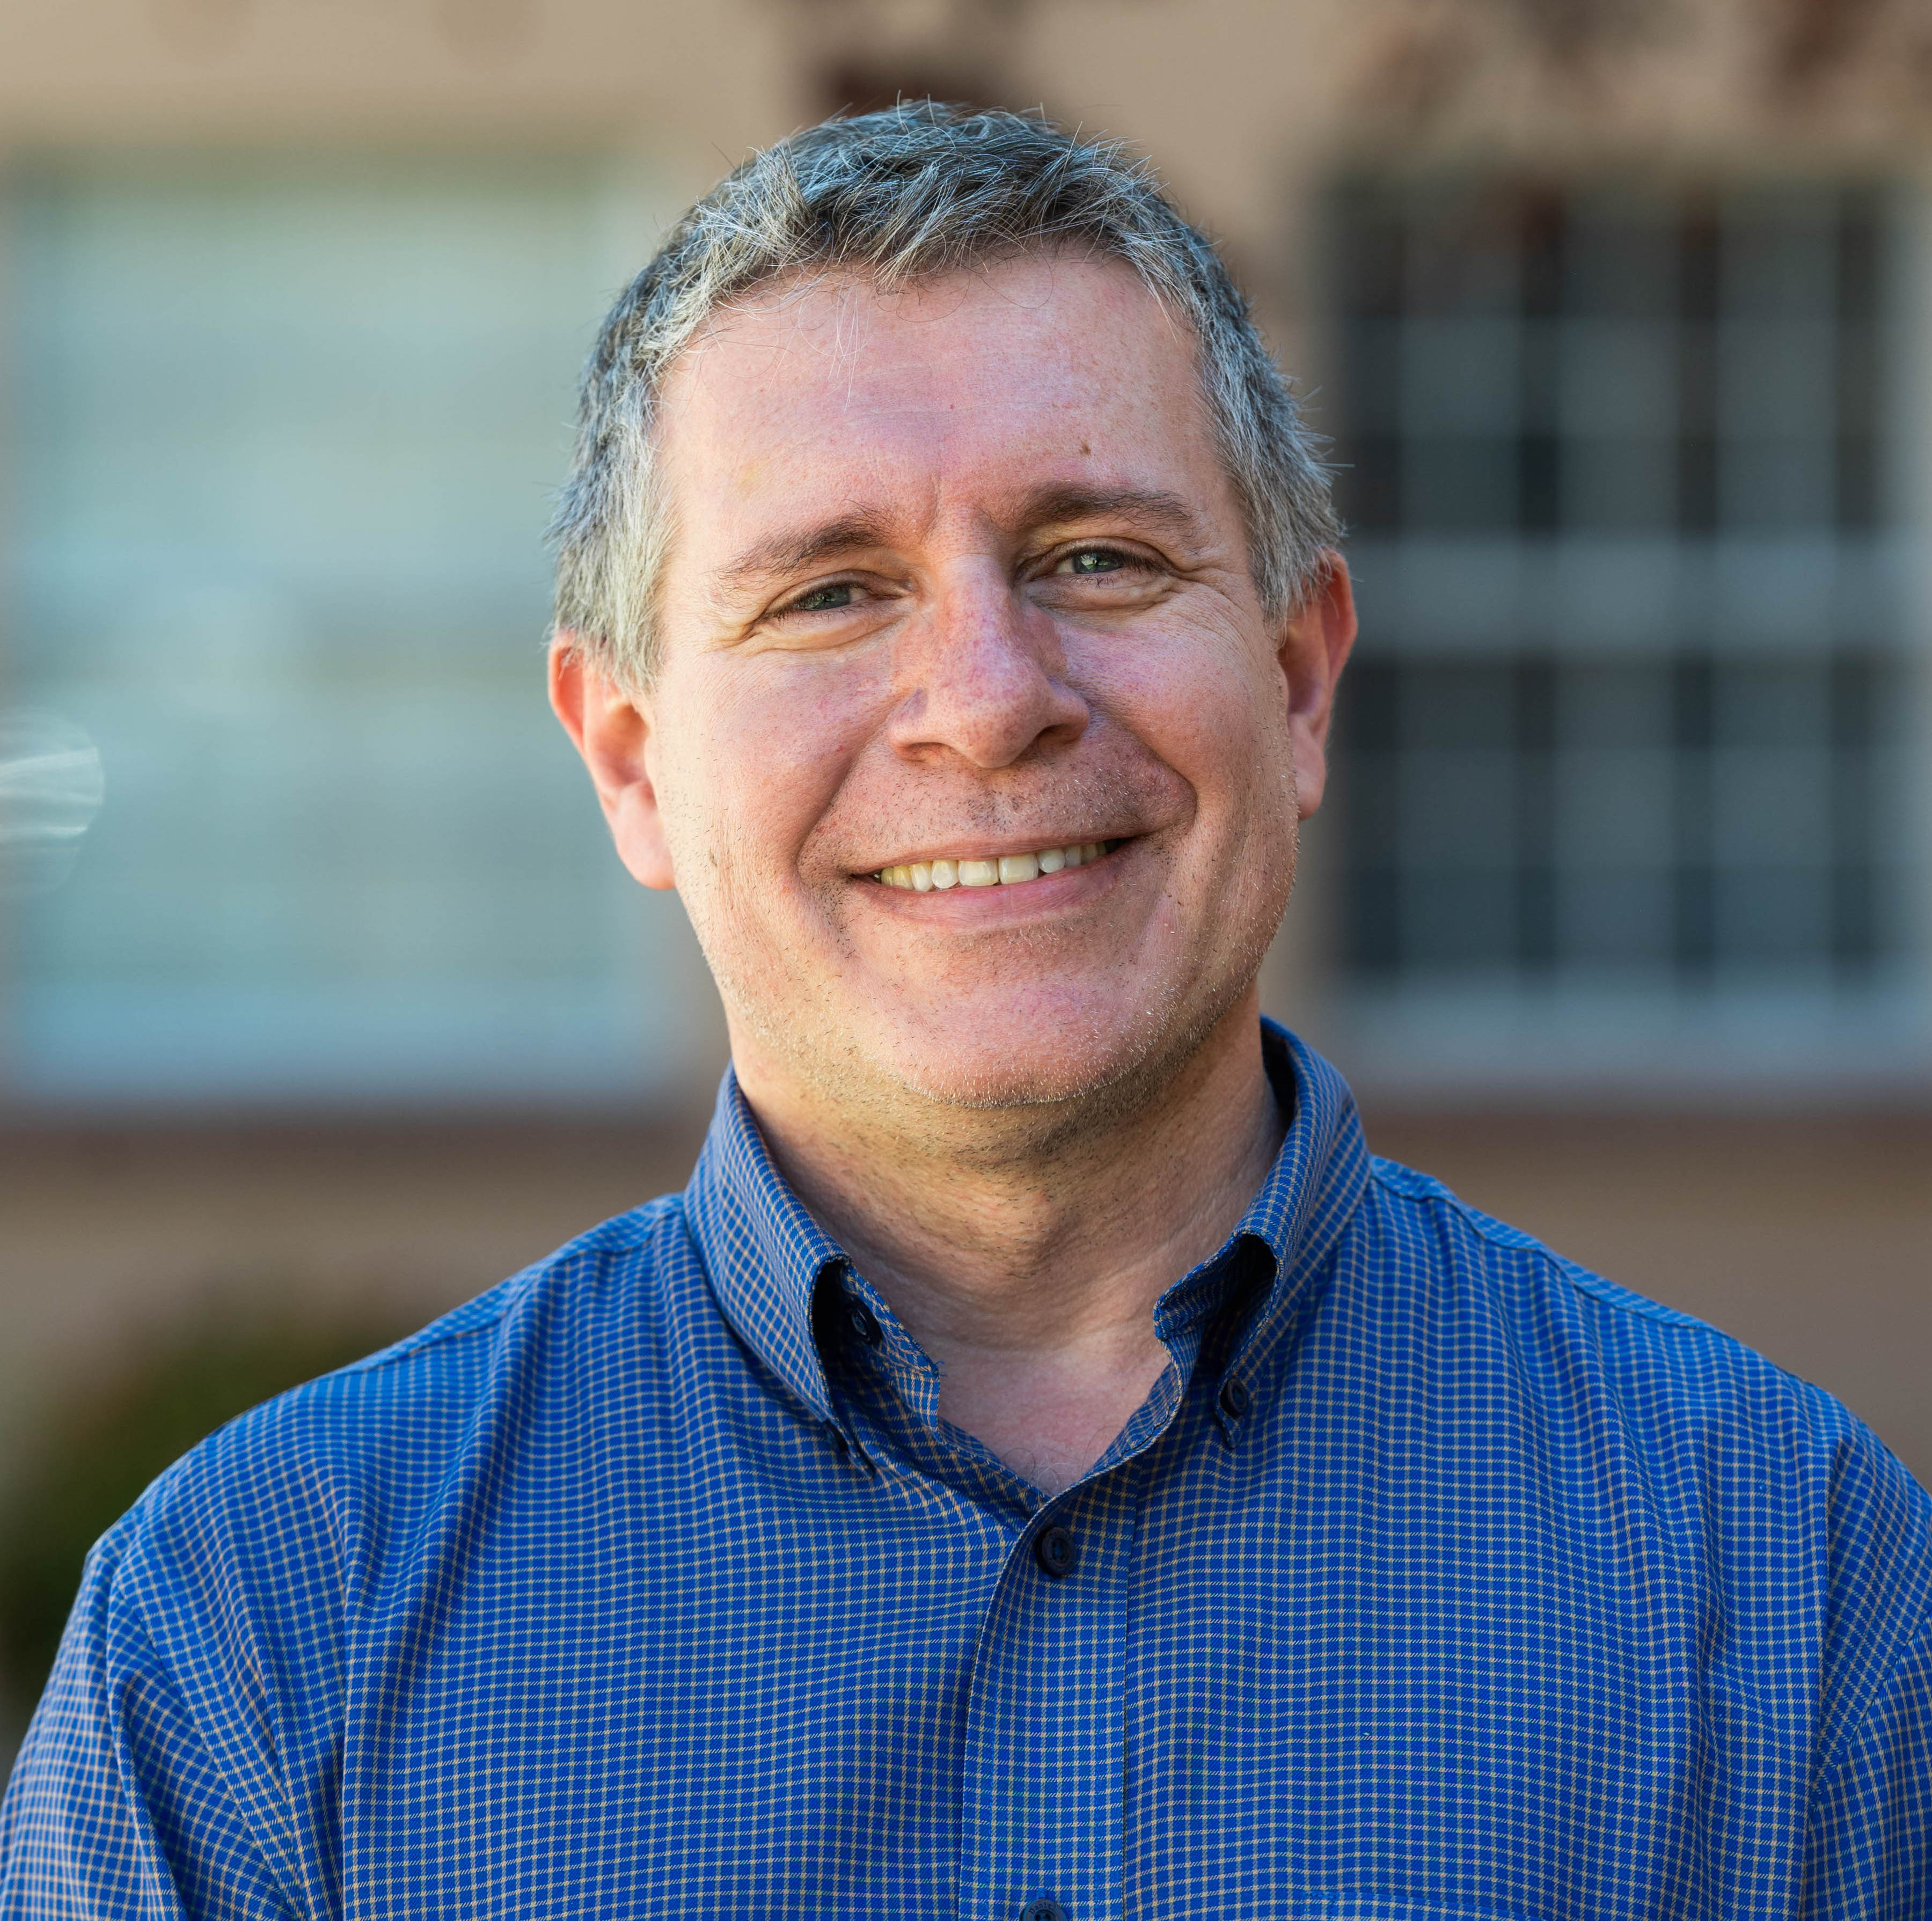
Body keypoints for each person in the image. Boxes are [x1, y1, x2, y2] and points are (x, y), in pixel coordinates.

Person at [4, 104, 1928, 1920]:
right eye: (832, 593)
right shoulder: (265, 1624)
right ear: (631, 760)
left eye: (1097, 557)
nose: (989, 698)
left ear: (1301, 680)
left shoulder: (1784, 1569)